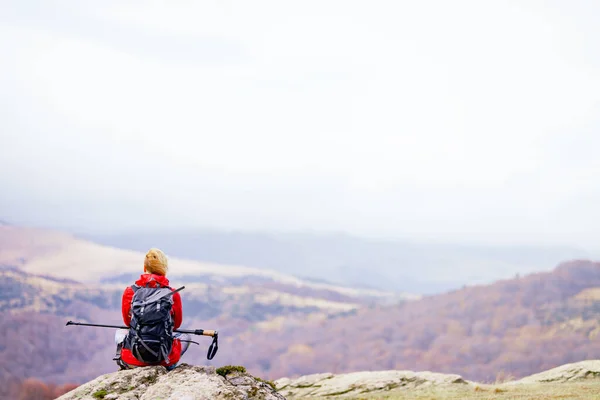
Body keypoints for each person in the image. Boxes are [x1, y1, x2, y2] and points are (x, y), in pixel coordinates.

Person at [114, 248, 190, 370]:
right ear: (164, 269)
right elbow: (176, 325)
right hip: (163, 359)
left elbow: (128, 323)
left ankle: (127, 361)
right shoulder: (172, 293)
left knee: (120, 331)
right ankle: (168, 365)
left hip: (134, 360)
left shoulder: (130, 291)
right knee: (185, 336)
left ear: (145, 268)